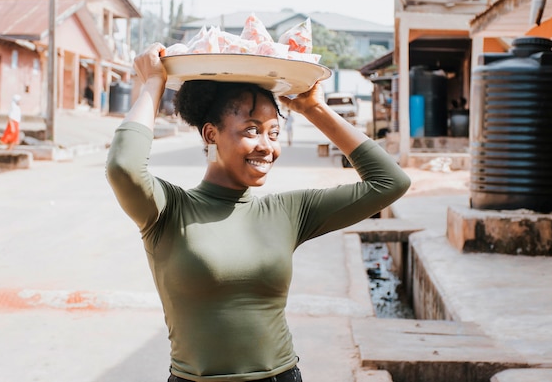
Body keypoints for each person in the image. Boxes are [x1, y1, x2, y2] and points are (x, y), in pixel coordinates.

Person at [106, 43, 411, 382]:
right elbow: (124, 166)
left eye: (274, 132)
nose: (267, 146)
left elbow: (390, 182)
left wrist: (315, 110)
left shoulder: (288, 212)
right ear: (211, 134)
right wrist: (152, 83)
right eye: (251, 130)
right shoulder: (168, 210)